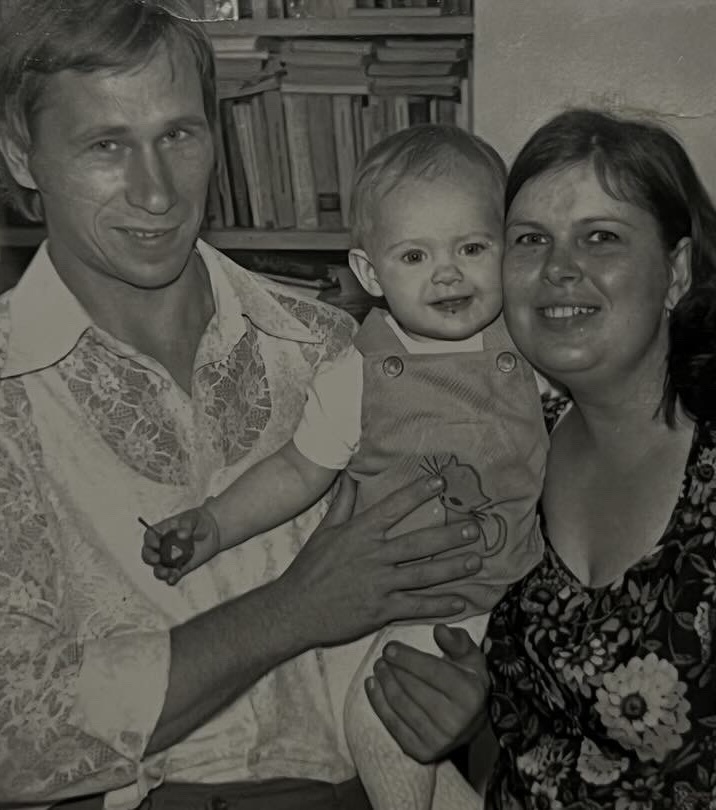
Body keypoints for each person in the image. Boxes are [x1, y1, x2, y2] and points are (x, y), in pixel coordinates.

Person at [0, 2, 491, 807]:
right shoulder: (10, 392)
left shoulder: (335, 348)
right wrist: (290, 612)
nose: (156, 192)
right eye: (106, 145)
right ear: (22, 155)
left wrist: (447, 690)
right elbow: (15, 728)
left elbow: (428, 585)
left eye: (179, 135)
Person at [142, 123, 548, 810]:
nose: (448, 273)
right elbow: (297, 472)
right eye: (415, 255)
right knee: (366, 721)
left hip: (509, 595)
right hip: (410, 602)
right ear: (370, 273)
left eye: (472, 248)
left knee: (384, 720)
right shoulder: (357, 373)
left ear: (506, 248)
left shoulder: (528, 352)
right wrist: (213, 523)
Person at [367, 107, 716, 809]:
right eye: (530, 240)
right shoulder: (506, 444)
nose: (559, 268)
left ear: (675, 271)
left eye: (600, 237)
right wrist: (472, 702)